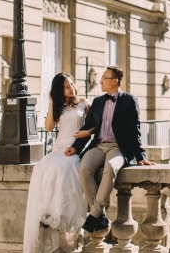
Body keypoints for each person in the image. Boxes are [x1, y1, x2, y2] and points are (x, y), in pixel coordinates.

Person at [64, 66, 155, 233]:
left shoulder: (129, 100)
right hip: (98, 146)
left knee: (110, 168)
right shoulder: (98, 102)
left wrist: (140, 156)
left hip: (118, 148)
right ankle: (99, 214)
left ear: (115, 81)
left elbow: (134, 129)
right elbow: (88, 127)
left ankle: (94, 213)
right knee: (84, 169)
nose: (100, 81)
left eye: (104, 78)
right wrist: (75, 148)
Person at [22, 73, 93, 253]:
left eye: (72, 84)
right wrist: (53, 101)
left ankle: (61, 216)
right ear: (59, 90)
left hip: (74, 149)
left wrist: (86, 134)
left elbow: (93, 125)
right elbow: (49, 126)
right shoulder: (59, 105)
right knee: (44, 168)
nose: (71, 88)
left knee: (64, 169)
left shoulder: (84, 103)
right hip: (58, 148)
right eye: (65, 86)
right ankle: (48, 214)